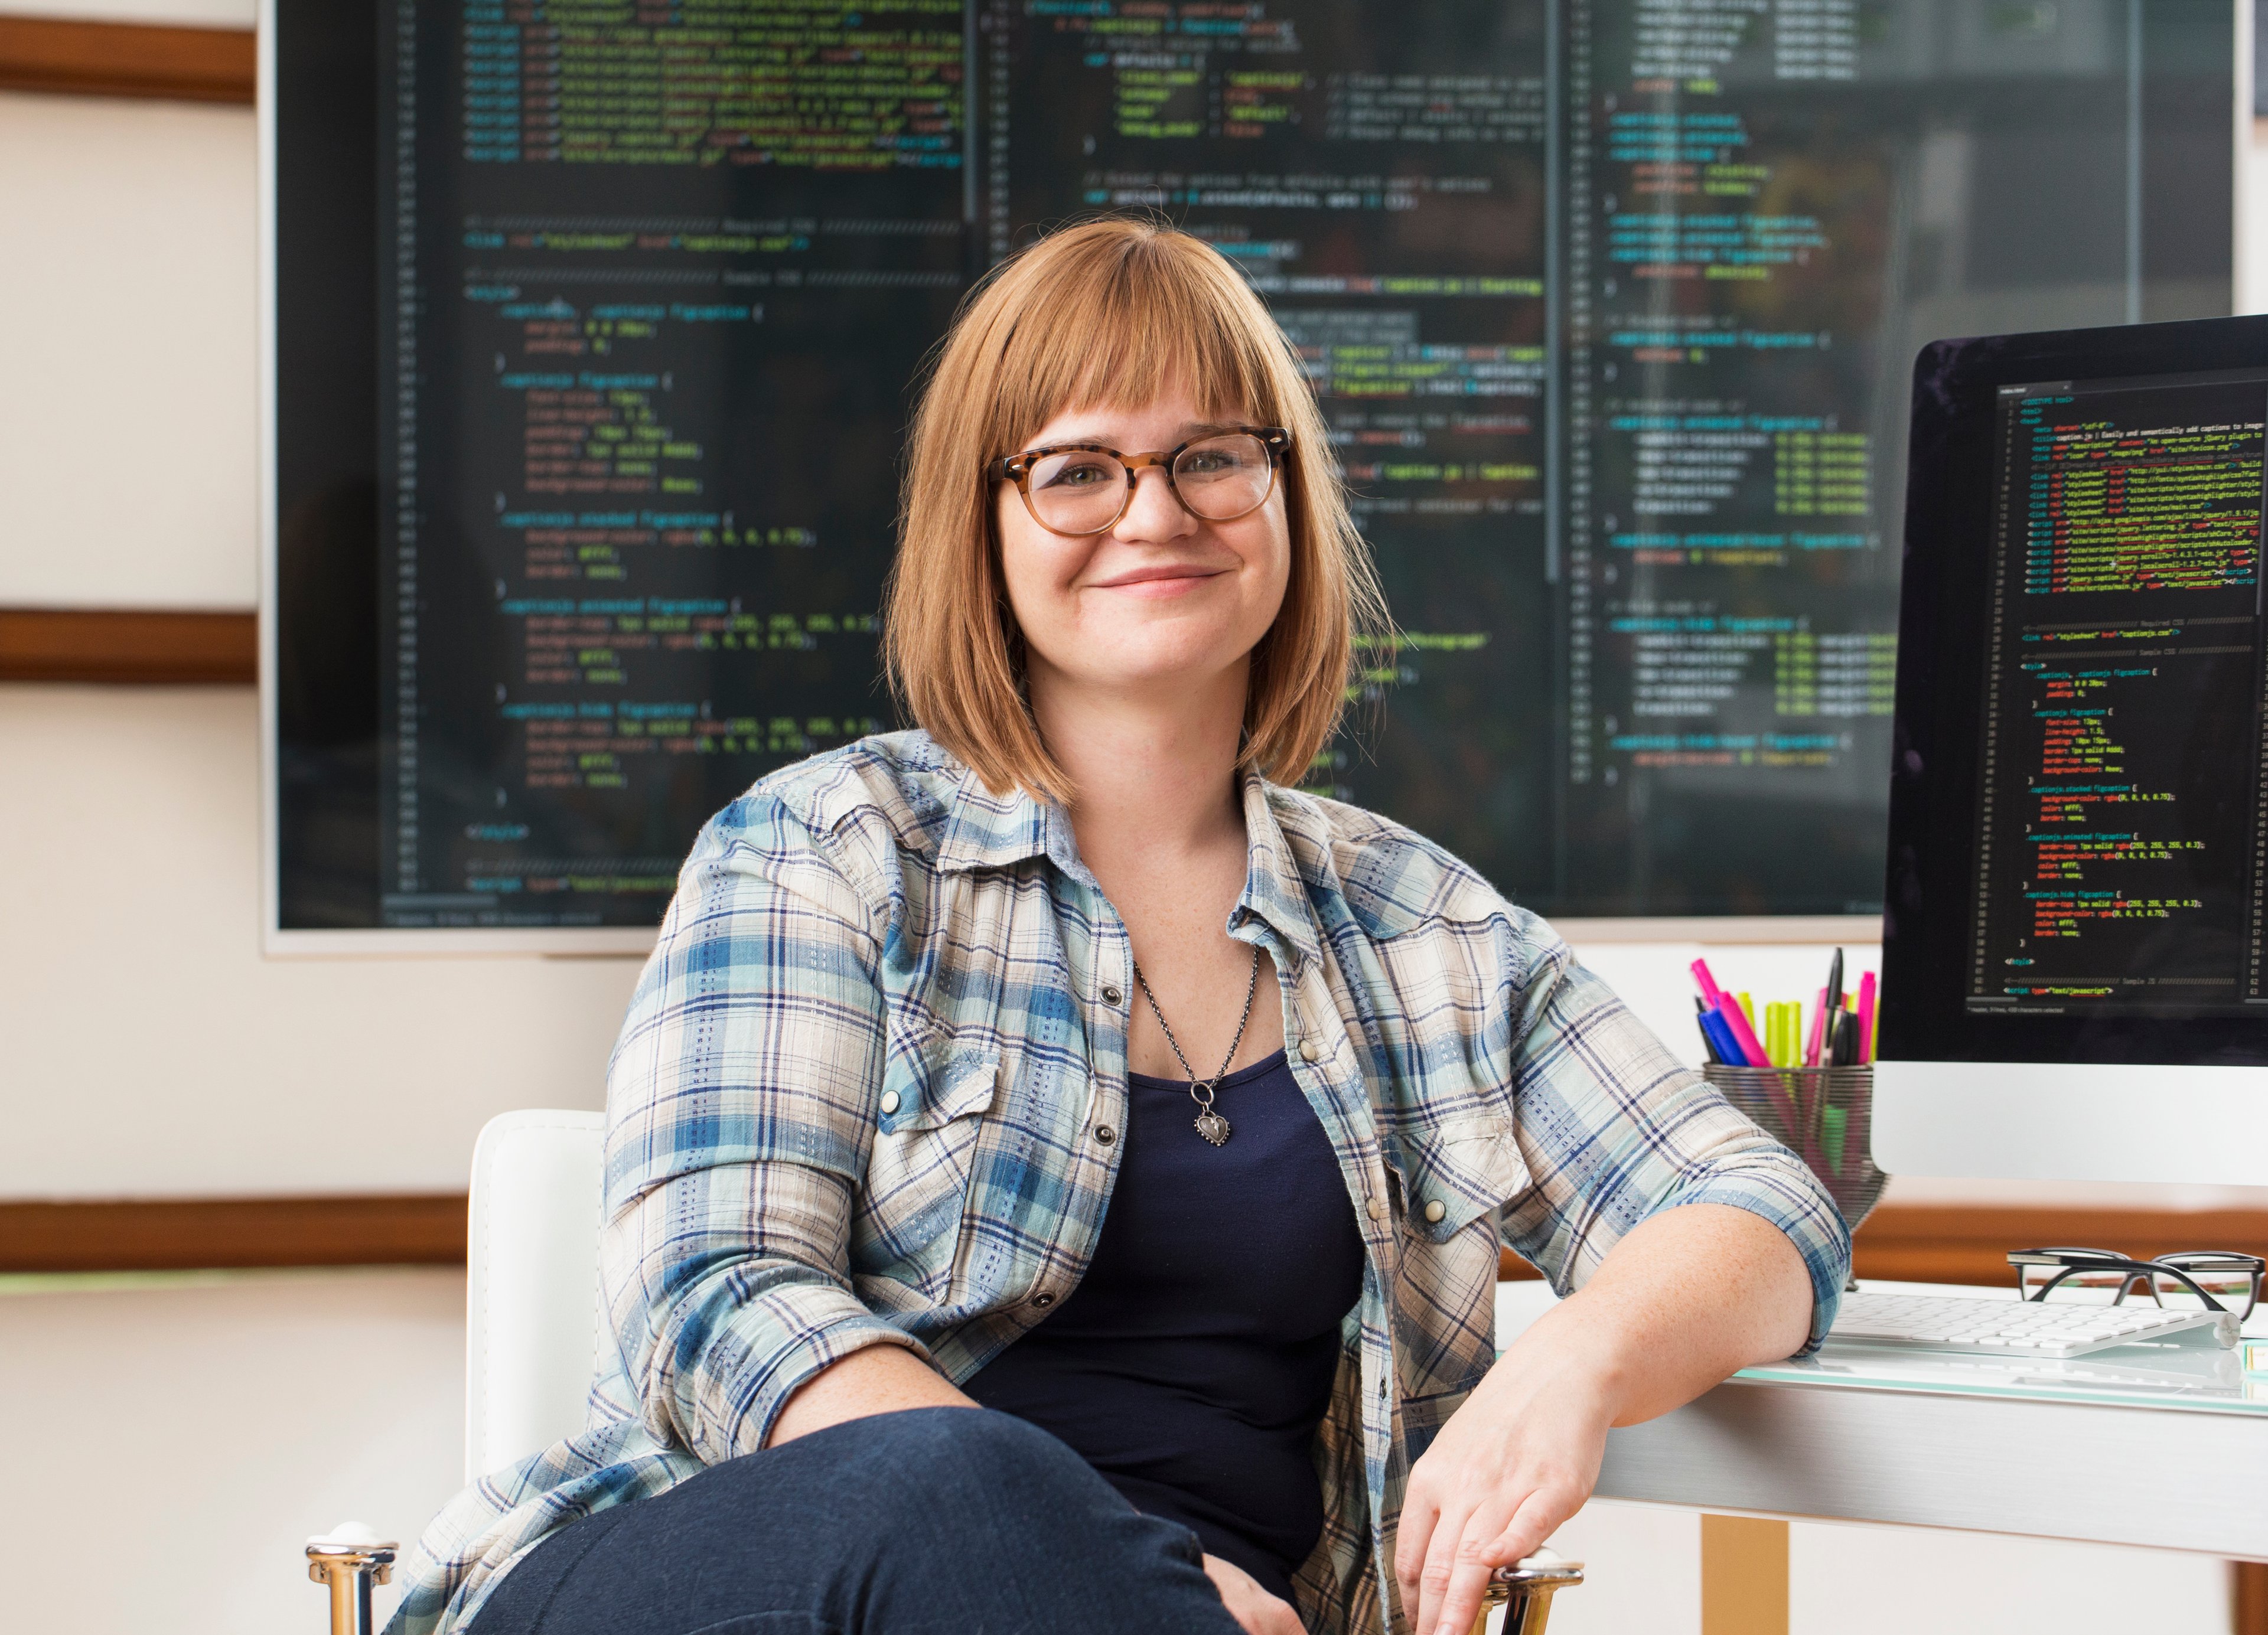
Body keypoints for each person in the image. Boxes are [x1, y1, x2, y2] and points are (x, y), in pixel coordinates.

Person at [388, 218, 1850, 1635]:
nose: (1156, 512)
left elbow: (1762, 1210)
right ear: (987, 523)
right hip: (734, 1574)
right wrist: (1110, 1560)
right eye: (1079, 469)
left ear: (1285, 494)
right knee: (961, 1484)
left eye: (1214, 455)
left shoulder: (1425, 932)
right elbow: (716, 1299)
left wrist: (1576, 1361)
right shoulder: (823, 852)